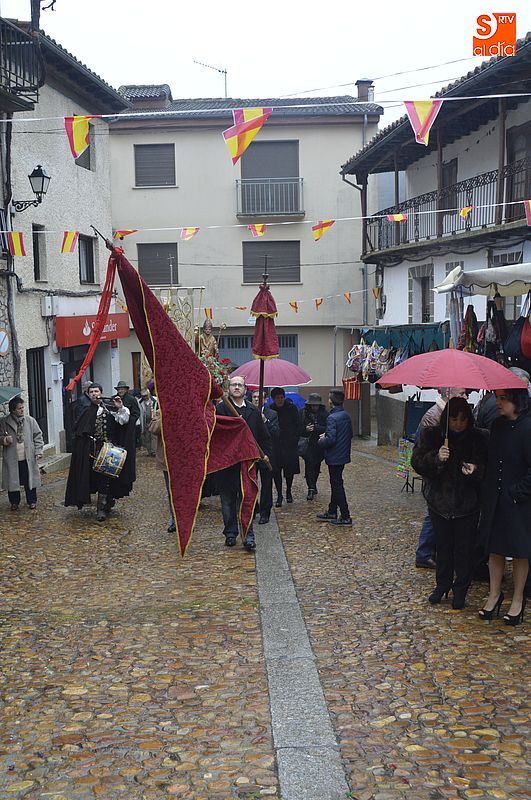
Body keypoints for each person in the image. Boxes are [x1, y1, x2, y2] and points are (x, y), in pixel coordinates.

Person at [411, 397, 488, 609]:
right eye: (454, 420)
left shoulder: (478, 438)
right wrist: (436, 458)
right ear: (447, 419)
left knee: (464, 549)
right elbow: (417, 461)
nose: (458, 424)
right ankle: (442, 584)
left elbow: (487, 468)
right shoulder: (432, 435)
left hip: (467, 504)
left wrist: (476, 470)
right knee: (443, 547)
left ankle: (460, 589)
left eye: (463, 420)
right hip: (440, 503)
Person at [478, 387, 531, 626]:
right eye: (497, 398)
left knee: (520, 550)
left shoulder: (528, 427)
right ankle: (494, 595)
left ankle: (518, 599)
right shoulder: (497, 426)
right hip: (496, 498)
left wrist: (516, 493)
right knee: (495, 548)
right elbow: (491, 460)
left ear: (516, 400)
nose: (498, 403)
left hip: (519, 500)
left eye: (503, 398)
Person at [216, 375, 272, 551]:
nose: (237, 387)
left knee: (247, 500)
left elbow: (263, 437)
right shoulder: (221, 409)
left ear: (245, 389)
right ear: (229, 388)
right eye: (234, 384)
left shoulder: (254, 412)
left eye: (240, 385)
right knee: (227, 501)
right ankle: (230, 533)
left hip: (247, 465)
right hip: (226, 464)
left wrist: (266, 454)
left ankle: (248, 536)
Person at [415, 387, 469, 570]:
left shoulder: (445, 414)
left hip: (445, 478)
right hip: (436, 477)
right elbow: (422, 451)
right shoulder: (433, 416)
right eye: (461, 393)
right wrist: (437, 458)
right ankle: (424, 553)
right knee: (432, 514)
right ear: (448, 393)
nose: (465, 396)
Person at [64, 384, 134, 521]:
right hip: (91, 450)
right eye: (91, 392)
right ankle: (105, 501)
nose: (94, 394)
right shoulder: (85, 410)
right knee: (94, 477)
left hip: (109, 450)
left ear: (101, 392)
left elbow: (123, 420)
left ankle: (102, 507)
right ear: (88, 394)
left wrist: (120, 407)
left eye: (96, 391)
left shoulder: (111, 407)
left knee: (105, 477)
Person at [316, 389, 353, 526]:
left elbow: (330, 440)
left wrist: (321, 440)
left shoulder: (332, 418)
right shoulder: (345, 415)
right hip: (342, 455)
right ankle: (332, 510)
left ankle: (345, 515)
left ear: (331, 401)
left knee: (337, 485)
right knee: (335, 483)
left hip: (334, 456)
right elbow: (348, 434)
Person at [0, 396, 43, 510]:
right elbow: (0, 436)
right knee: (13, 481)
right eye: (19, 408)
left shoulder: (30, 421)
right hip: (12, 457)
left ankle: (32, 501)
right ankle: (14, 502)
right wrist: (4, 439)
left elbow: (38, 436)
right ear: (13, 410)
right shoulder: (4, 422)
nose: (22, 410)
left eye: (22, 407)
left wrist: (38, 451)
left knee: (30, 480)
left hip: (28, 456)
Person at [251, 389, 279, 524]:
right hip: (251, 453)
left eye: (260, 397)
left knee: (267, 484)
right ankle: (253, 508)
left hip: (267, 453)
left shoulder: (272, 414)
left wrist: (265, 421)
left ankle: (265, 512)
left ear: (266, 400)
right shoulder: (249, 412)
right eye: (254, 397)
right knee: (251, 483)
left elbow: (276, 433)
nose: (257, 399)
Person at [270, 387, 300, 506]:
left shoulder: (291, 408)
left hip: (289, 445)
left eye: (282, 397)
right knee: (276, 472)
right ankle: (279, 495)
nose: (280, 400)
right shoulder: (270, 409)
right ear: (273, 399)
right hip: (276, 446)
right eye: (277, 398)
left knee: (289, 471)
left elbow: (298, 425)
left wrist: (294, 439)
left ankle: (288, 491)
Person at [147, 411, 176, 533]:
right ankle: (175, 521)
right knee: (172, 492)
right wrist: (165, 417)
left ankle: (187, 521)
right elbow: (153, 429)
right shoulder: (161, 411)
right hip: (167, 460)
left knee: (186, 492)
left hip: (185, 460)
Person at [299, 393, 328, 500]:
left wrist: (316, 428)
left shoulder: (324, 414)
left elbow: (327, 428)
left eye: (316, 405)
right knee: (309, 465)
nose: (314, 407)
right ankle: (310, 488)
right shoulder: (303, 413)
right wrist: (305, 429)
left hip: (320, 444)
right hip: (308, 444)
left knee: (316, 466)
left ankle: (313, 484)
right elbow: (298, 428)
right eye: (313, 405)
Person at [114, 380, 140, 475]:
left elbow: (136, 414)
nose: (121, 391)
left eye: (122, 389)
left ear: (126, 390)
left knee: (128, 451)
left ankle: (128, 473)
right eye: (119, 389)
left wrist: (129, 422)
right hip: (116, 430)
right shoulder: (113, 399)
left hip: (128, 430)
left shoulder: (132, 399)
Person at [139, 388, 158, 456]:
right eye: (143, 396)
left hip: (153, 421)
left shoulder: (155, 400)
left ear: (149, 394)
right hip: (145, 421)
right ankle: (149, 452)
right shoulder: (140, 402)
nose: (145, 397)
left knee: (154, 436)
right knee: (147, 437)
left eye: (146, 395)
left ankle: (154, 452)